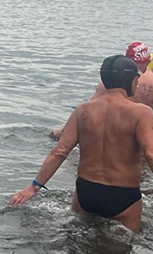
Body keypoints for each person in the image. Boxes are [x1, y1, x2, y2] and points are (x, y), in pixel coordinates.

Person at [10, 55, 153, 233]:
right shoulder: (141, 113)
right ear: (130, 80)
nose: (137, 84)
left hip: (86, 192)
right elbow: (150, 154)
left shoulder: (83, 110)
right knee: (122, 253)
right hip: (123, 194)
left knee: (79, 245)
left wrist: (33, 187)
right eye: (136, 79)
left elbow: (59, 152)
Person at [51, 42, 153, 138]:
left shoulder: (111, 80)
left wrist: (62, 132)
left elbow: (89, 110)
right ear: (146, 61)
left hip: (117, 132)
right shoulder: (150, 80)